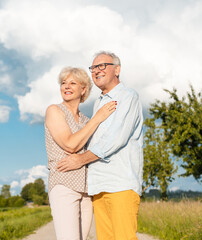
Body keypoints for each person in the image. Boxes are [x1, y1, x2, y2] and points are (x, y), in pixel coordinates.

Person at [57, 51, 144, 240]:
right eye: (93, 67)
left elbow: (115, 138)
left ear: (117, 69)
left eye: (102, 66)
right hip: (99, 185)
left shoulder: (128, 96)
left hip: (120, 183)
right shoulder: (98, 103)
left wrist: (80, 160)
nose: (96, 71)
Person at [45, 66, 116, 240]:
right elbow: (70, 145)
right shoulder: (54, 111)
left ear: (83, 89)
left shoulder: (85, 120)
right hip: (63, 184)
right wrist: (98, 118)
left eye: (72, 83)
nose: (66, 86)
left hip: (86, 190)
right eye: (63, 83)